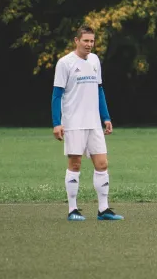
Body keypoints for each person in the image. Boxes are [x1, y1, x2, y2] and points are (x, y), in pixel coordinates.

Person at [51, 26, 123, 221]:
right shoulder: (65, 63)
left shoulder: (94, 61)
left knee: (102, 164)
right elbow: (56, 95)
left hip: (94, 124)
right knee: (75, 164)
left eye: (92, 41)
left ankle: (103, 209)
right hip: (73, 123)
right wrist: (57, 123)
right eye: (86, 41)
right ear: (77, 41)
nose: (89, 45)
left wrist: (106, 117)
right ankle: (72, 210)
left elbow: (99, 90)